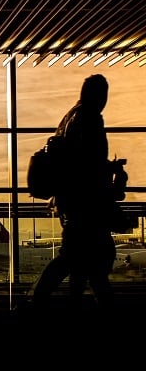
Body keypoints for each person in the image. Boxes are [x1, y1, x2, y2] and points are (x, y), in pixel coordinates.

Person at [30, 74, 122, 312]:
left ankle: (60, 302)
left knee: (78, 258)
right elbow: (88, 165)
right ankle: (41, 301)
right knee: (85, 259)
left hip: (70, 201)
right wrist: (109, 172)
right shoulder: (90, 118)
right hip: (85, 203)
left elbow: (75, 162)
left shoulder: (70, 118)